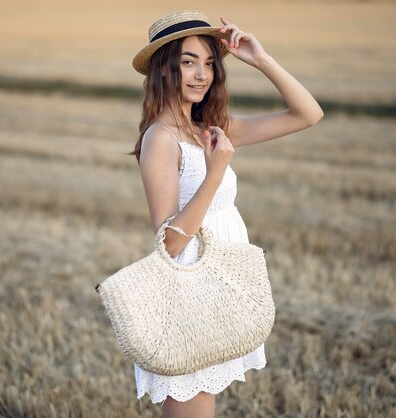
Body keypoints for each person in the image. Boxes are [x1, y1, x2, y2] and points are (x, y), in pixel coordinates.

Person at [129, 10, 323, 418]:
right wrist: (215, 172)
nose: (202, 74)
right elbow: (170, 242)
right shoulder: (160, 139)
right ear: (165, 70)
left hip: (219, 284)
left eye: (210, 63)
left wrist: (261, 58)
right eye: (188, 62)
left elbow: (308, 114)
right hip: (189, 289)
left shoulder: (210, 128)